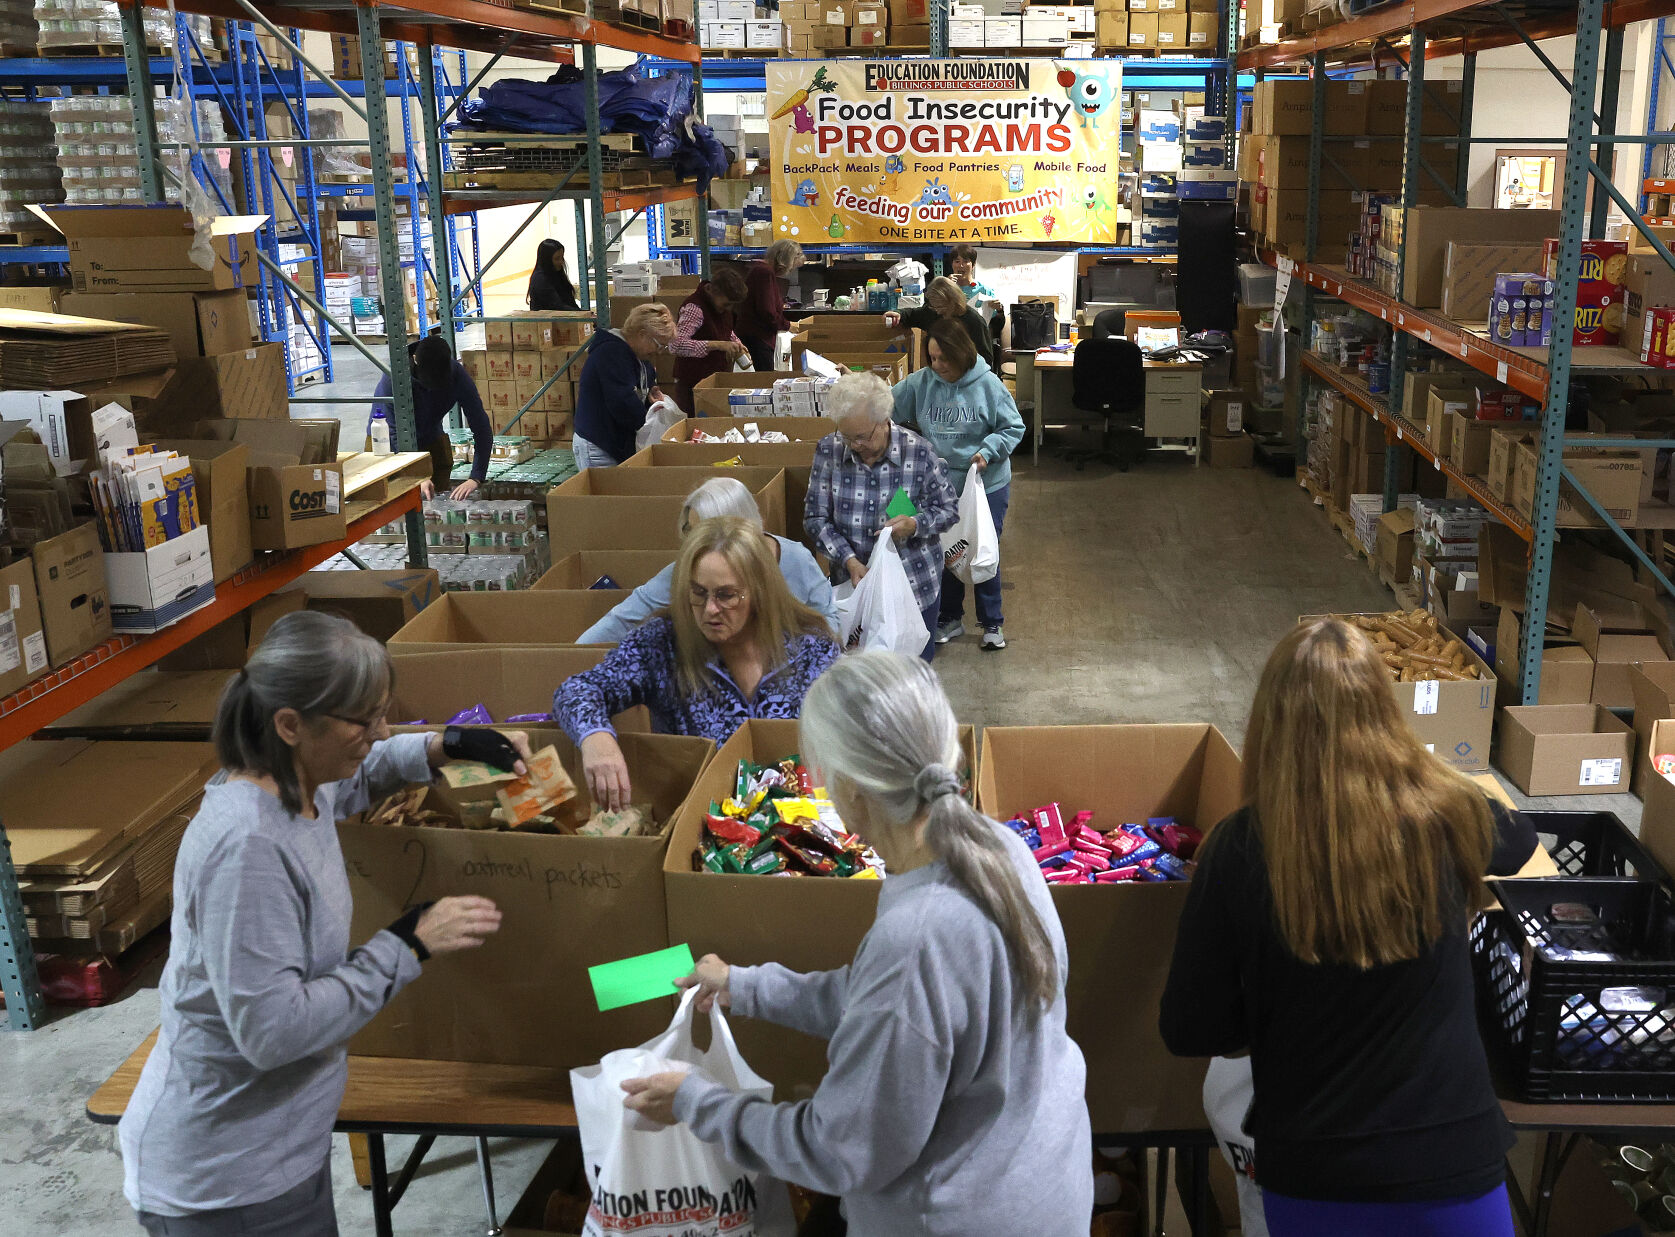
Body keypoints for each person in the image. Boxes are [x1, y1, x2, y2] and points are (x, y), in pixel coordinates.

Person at [619, 651, 1094, 1237]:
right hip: (1041, 1183)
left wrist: (697, 1102)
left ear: (852, 790)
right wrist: (747, 986)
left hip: (954, 1216)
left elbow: (841, 1150)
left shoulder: (917, 939)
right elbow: (896, 1006)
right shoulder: (993, 847)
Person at [119, 611, 530, 1235]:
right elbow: (272, 1032)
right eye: (364, 720)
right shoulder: (247, 849)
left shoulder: (299, 782)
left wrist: (442, 746)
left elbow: (362, 773)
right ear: (290, 724)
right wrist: (405, 946)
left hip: (283, 1148)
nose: (379, 730)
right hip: (226, 1182)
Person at [1159, 617, 1548, 1237]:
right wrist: (1425, 773)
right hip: (1453, 1167)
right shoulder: (1445, 814)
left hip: (1318, 1177)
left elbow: (1188, 1028)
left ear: (1269, 727)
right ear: (1384, 715)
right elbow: (1520, 834)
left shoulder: (1240, 849)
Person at [556, 516, 840, 810]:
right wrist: (596, 737)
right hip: (695, 825)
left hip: (797, 829)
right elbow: (578, 689)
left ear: (759, 591)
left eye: (726, 595)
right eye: (698, 593)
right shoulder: (662, 646)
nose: (710, 610)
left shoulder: (812, 650)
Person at [892, 318, 1025, 652]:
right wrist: (858, 387)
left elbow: (1013, 427)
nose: (938, 366)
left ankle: (992, 622)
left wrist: (987, 451)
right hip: (941, 485)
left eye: (944, 359)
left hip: (984, 483)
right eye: (932, 358)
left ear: (962, 354)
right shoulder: (922, 383)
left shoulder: (989, 385)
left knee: (981, 551)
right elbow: (886, 404)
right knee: (947, 553)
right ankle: (950, 617)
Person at [806, 370, 957, 662]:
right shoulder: (829, 450)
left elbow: (948, 508)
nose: (854, 446)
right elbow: (815, 518)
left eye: (862, 437)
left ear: (884, 419)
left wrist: (915, 524)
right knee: (863, 679)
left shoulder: (919, 453)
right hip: (856, 591)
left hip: (914, 588)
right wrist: (848, 559)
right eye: (847, 437)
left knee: (912, 677)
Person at [577, 478, 836, 644]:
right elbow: (623, 620)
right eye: (690, 532)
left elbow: (830, 624)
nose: (692, 546)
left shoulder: (796, 560)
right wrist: (572, 659)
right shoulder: (684, 571)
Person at [371, 334, 493, 501]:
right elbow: (392, 433)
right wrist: (416, 477)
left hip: (430, 437)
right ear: (415, 361)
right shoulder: (394, 378)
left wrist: (476, 477)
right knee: (395, 507)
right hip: (386, 445)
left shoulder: (457, 375)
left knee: (437, 505)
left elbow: (481, 426)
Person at [573, 303, 675, 470]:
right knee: (607, 495)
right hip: (600, 445)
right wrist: (648, 424)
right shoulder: (611, 354)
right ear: (642, 335)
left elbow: (644, 383)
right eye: (658, 344)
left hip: (617, 443)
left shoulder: (638, 356)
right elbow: (622, 402)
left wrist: (651, 393)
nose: (659, 352)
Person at [669, 265, 750, 413]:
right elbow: (676, 345)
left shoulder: (721, 308)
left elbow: (726, 330)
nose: (728, 309)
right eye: (726, 304)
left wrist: (737, 343)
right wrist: (717, 345)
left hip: (714, 381)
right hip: (693, 385)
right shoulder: (694, 308)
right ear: (714, 291)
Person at [883, 275, 995, 370]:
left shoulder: (974, 321)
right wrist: (898, 313)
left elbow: (986, 359)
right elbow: (912, 314)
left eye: (940, 306)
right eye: (933, 305)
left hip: (965, 375)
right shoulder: (933, 312)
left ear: (953, 301)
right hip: (938, 372)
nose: (937, 310)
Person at [737, 239, 802, 373]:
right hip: (757, 337)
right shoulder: (764, 273)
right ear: (785, 260)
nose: (790, 270)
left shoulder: (763, 271)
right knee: (765, 380)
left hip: (757, 336)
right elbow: (766, 310)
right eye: (792, 266)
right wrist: (787, 325)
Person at [526, 238, 581, 311]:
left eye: (562, 257)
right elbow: (557, 306)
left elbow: (569, 301)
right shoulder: (540, 279)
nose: (561, 262)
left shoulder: (556, 273)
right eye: (557, 259)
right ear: (546, 260)